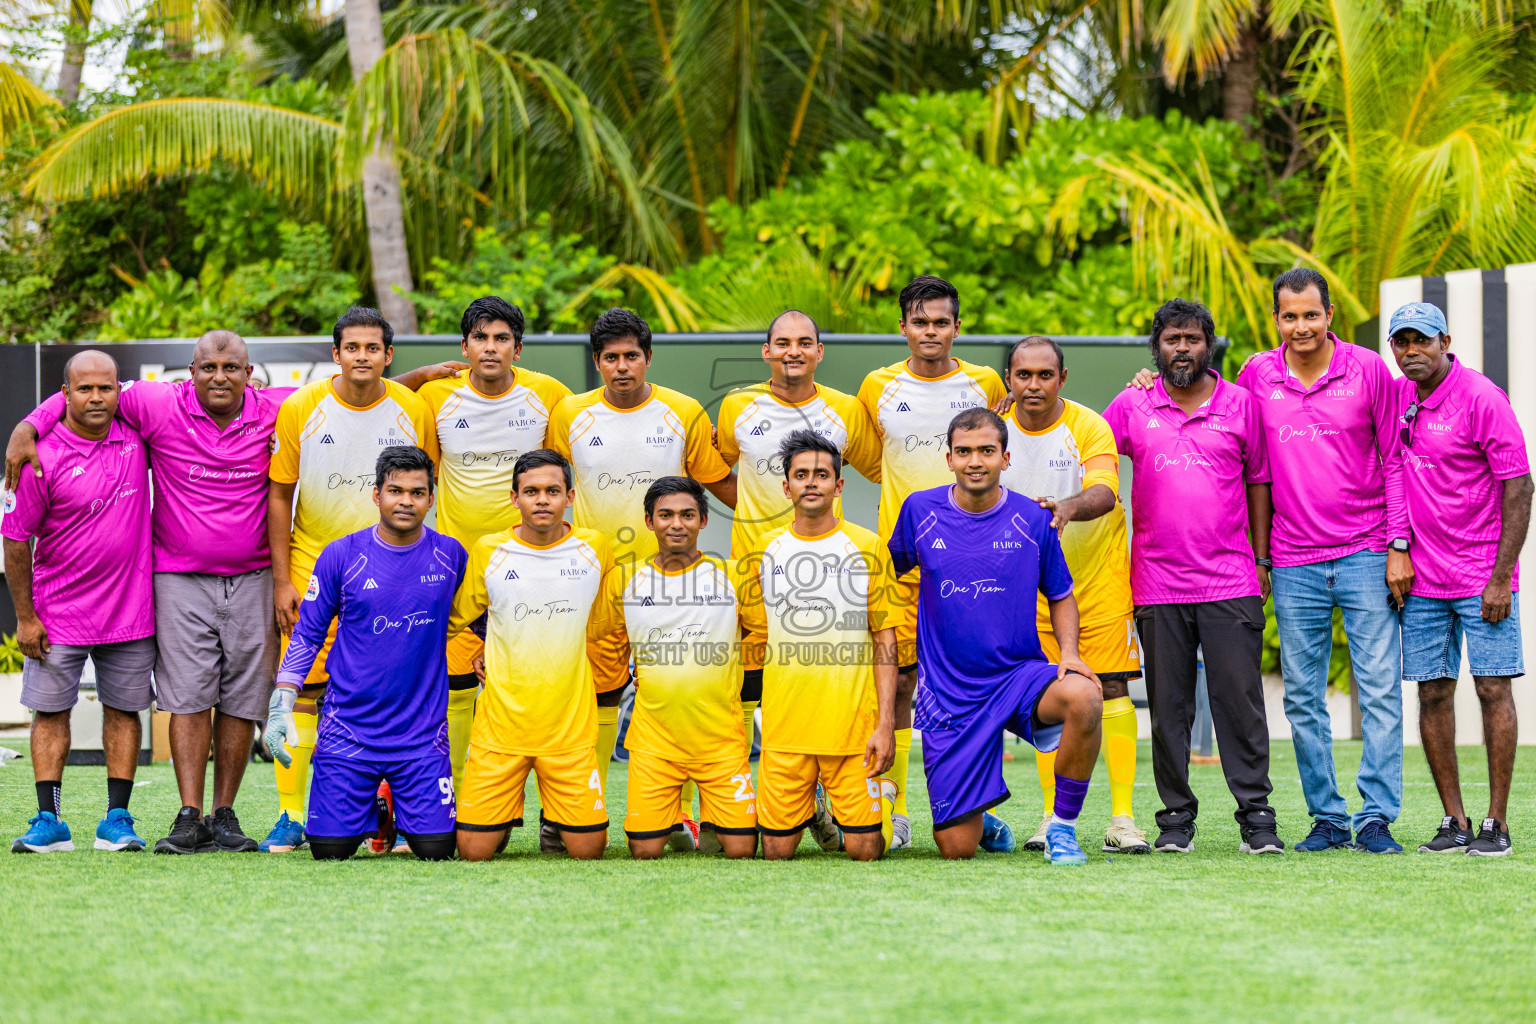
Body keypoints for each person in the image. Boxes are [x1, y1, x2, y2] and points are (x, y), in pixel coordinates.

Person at [8, 331, 293, 855]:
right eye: (209, 367)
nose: (220, 377)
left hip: (232, 582)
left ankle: (209, 815)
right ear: (191, 370)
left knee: (230, 702)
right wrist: (26, 428)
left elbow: (352, 395)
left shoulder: (270, 411)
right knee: (182, 700)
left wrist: (417, 379)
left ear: (249, 374)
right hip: (162, 582)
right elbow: (90, 392)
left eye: (232, 367)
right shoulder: (152, 406)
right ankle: (176, 815)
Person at [546, 308, 736, 846]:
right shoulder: (569, 413)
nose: (622, 366)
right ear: (597, 362)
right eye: (611, 358)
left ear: (648, 358)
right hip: (595, 581)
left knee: (679, 687)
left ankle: (693, 816)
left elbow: (717, 481)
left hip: (671, 581)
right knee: (598, 697)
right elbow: (549, 485)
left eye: (632, 356)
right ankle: (581, 811)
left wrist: (779, 524)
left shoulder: (684, 411)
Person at [1102, 298, 1283, 855]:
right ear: (1156, 347)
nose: (1183, 348)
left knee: (1241, 704)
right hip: (1155, 582)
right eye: (1172, 339)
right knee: (1169, 707)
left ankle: (1257, 818)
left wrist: (1259, 560)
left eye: (1193, 338)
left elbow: (1259, 482)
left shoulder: (1242, 405)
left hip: (1230, 579)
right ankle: (1175, 820)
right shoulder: (1133, 404)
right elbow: (1083, 446)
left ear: (1210, 346)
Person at [889, 408, 1104, 863]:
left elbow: (1061, 594)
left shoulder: (1033, 518)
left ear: (1005, 458)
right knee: (955, 850)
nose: (975, 461)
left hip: (1017, 677)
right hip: (949, 693)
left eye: (987, 451)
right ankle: (979, 816)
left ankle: (1062, 828)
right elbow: (890, 581)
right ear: (948, 458)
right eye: (964, 451)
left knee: (1085, 696)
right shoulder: (919, 511)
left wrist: (1070, 653)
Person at [263, 306, 438, 852]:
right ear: (335, 354)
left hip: (393, 573)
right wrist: (280, 581)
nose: (362, 357)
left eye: (373, 348)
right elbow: (278, 494)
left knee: (393, 688)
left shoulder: (412, 408)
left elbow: (420, 489)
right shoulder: (300, 408)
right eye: (352, 348)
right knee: (309, 693)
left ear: (389, 356)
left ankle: (397, 813)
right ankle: (293, 814)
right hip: (313, 565)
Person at [857, 275, 1007, 851]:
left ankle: (978, 805)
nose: (930, 332)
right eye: (920, 322)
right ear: (903, 328)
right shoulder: (877, 386)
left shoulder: (984, 383)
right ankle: (891, 807)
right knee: (896, 685)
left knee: (971, 685)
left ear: (957, 327)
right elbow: (875, 462)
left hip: (971, 560)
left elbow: (992, 457)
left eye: (941, 322)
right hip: (901, 561)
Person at [264, 446, 467, 860]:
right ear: (377, 495)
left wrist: (488, 651)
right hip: (348, 733)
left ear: (431, 497)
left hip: (422, 737)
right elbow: (307, 634)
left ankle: (392, 805)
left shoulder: (452, 556)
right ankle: (377, 808)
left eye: (417, 492)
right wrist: (282, 700)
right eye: (395, 491)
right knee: (329, 851)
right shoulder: (341, 555)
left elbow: (478, 618)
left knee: (437, 850)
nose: (406, 501)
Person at [716, 308, 882, 798]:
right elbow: (715, 469)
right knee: (745, 684)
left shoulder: (847, 410)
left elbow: (881, 467)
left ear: (819, 352)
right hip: (753, 569)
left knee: (826, 682)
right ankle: (742, 801)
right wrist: (761, 520)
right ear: (766, 352)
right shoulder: (736, 407)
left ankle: (851, 801)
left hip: (826, 575)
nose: (794, 351)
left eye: (804, 343)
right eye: (783, 343)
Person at [1386, 301, 1532, 857]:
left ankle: (1495, 822)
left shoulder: (1482, 398)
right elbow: (1395, 471)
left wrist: (1501, 577)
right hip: (1422, 579)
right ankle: (1454, 820)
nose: (1410, 352)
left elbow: (1519, 487)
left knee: (1493, 687)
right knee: (1433, 692)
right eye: (1400, 342)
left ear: (1445, 340)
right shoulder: (1401, 396)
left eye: (1421, 340)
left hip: (1481, 576)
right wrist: (1399, 546)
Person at [416, 296, 573, 797]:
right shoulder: (435, 397)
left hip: (532, 566)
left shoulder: (549, 395)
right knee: (457, 684)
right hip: (459, 567)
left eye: (501, 338)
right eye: (480, 338)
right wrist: (417, 374)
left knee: (536, 683)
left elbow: (561, 477)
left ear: (518, 349)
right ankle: (457, 799)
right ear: (464, 346)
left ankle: (556, 808)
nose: (490, 347)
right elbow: (376, 401)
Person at [998, 336, 1148, 854]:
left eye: (1045, 375)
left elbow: (1106, 491)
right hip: (1029, 592)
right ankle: (1048, 817)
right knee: (1050, 698)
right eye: (1023, 375)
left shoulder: (1087, 425)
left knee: (1110, 690)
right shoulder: (993, 432)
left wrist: (1062, 509)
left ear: (1062, 379)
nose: (1033, 384)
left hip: (1096, 580)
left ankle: (1123, 819)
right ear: (1009, 381)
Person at [5, 351, 153, 854]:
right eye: (84, 389)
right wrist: (25, 618)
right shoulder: (37, 456)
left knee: (124, 712)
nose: (96, 397)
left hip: (129, 610)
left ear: (119, 391)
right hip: (57, 614)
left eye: (105, 389)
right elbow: (14, 538)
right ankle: (50, 821)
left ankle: (117, 820)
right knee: (50, 715)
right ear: (64, 394)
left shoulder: (138, 437)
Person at [449, 449, 618, 861]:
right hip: (500, 730)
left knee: (588, 851)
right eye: (531, 491)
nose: (542, 499)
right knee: (473, 852)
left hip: (569, 732)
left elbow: (602, 619)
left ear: (570, 497)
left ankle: (553, 816)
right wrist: (489, 645)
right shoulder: (490, 549)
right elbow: (459, 615)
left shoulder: (594, 547)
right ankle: (498, 817)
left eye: (552, 491)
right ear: (514, 498)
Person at [737, 430, 897, 862]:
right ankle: (810, 808)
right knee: (775, 852)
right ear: (785, 486)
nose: (812, 482)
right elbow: (752, 630)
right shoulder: (763, 549)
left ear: (838, 485)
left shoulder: (867, 546)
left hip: (851, 730)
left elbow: (885, 638)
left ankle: (850, 802)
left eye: (822, 475)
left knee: (866, 851)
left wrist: (885, 724)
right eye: (801, 474)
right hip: (786, 727)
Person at [602, 477, 759, 859]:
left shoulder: (735, 575)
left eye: (688, 515)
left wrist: (731, 677)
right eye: (666, 515)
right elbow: (602, 641)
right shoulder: (625, 579)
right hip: (655, 741)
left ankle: (713, 819)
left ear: (703, 520)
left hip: (720, 739)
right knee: (644, 851)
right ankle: (675, 818)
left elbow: (763, 637)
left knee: (741, 850)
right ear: (649, 520)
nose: (677, 524)